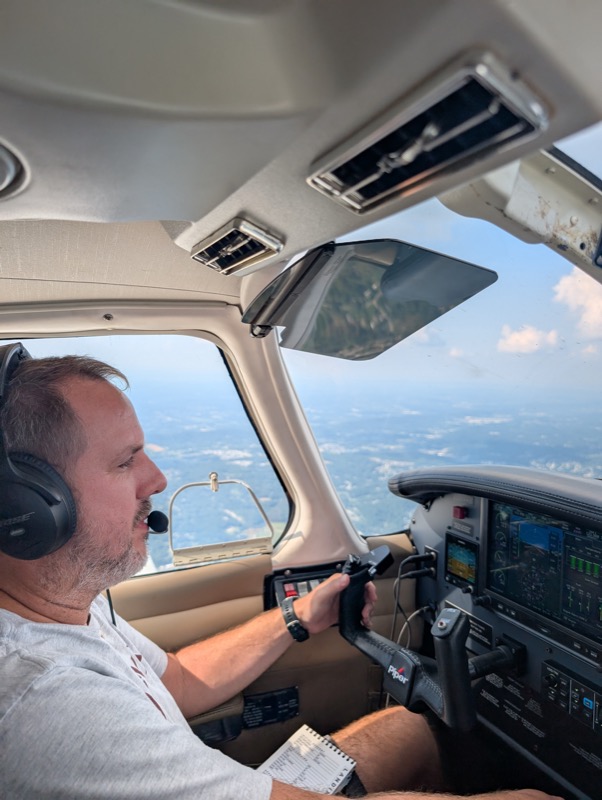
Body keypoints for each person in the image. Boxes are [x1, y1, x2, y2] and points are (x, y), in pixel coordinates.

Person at [0, 350, 563, 800]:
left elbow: (178, 682)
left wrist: (296, 618)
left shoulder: (69, 602)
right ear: (28, 508)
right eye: (125, 462)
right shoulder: (47, 696)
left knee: (408, 730)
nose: (156, 478)